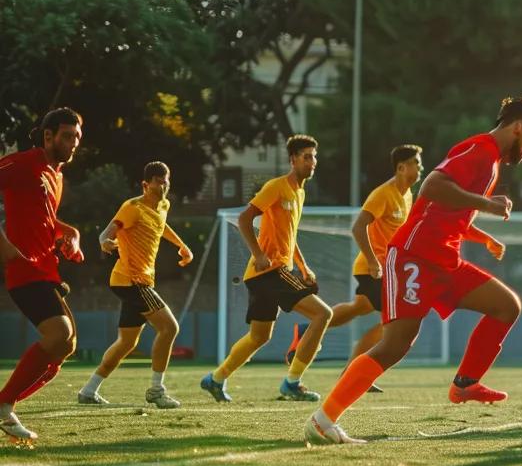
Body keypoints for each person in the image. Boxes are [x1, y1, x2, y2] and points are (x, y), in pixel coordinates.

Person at [306, 97, 522, 444]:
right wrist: (486, 204)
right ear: (518, 127)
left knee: (506, 306)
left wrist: (483, 236)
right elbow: (432, 188)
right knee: (394, 345)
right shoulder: (480, 149)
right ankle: (323, 420)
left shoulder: (490, 159)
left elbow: (448, 213)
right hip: (413, 257)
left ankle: (465, 384)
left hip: (445, 261)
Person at [198, 135, 334, 403]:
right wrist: (258, 254)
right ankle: (292, 383)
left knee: (259, 337)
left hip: (265, 275)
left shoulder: (299, 192)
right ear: (293, 159)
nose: (312, 162)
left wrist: (303, 266)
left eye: (314, 156)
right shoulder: (276, 187)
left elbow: (289, 236)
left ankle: (215, 379)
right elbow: (244, 218)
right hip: (269, 271)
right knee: (323, 314)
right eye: (306, 157)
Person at [0, 108, 84, 444]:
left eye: (77, 137)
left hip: (47, 268)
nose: (73, 143)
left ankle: (5, 403)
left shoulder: (56, 176)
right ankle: (4, 404)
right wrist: (3, 243)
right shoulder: (23, 164)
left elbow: (48, 222)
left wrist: (71, 235)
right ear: (48, 136)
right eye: (67, 136)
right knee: (59, 334)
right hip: (24, 269)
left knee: (66, 346)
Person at [82, 162, 194, 407]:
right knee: (169, 328)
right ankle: (156, 390)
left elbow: (161, 225)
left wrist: (181, 245)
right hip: (131, 280)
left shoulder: (163, 205)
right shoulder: (132, 207)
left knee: (127, 342)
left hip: (136, 280)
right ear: (145, 184)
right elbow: (107, 232)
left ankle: (89, 390)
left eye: (166, 181)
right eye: (158, 181)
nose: (163, 186)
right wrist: (104, 241)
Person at [323, 145, 418, 393]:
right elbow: (358, 227)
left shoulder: (407, 195)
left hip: (388, 270)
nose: (421, 168)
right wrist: (374, 261)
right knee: (393, 323)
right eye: (416, 163)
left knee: (358, 308)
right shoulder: (382, 194)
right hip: (372, 268)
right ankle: (352, 374)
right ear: (401, 167)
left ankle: (309, 330)